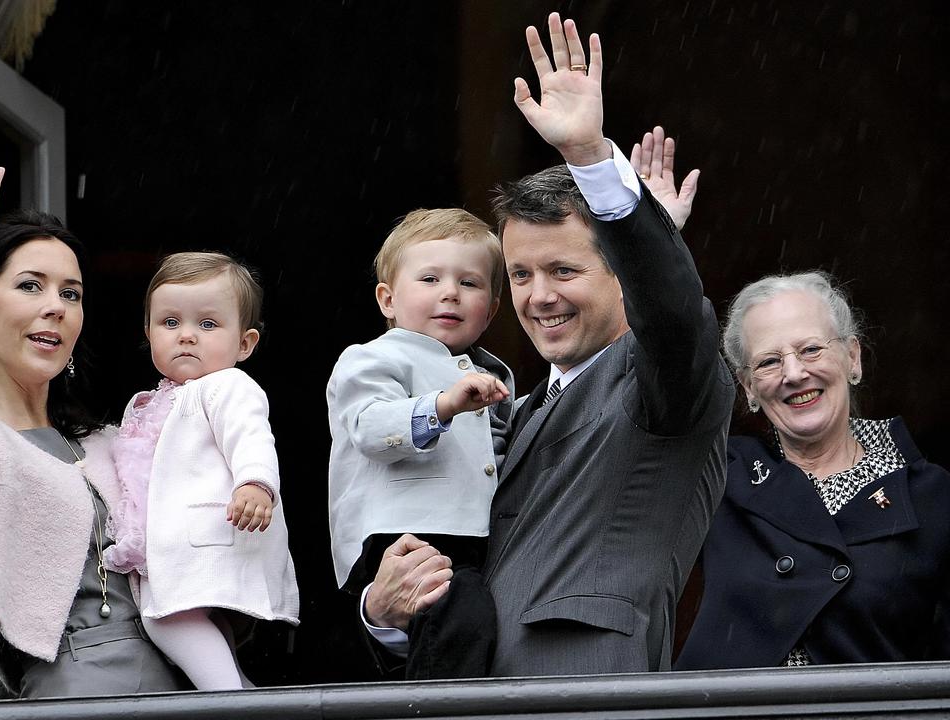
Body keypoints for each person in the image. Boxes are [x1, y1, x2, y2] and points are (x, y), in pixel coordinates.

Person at [362, 13, 734, 676]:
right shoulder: (511, 406)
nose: (539, 297)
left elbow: (674, 317)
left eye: (563, 271)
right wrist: (386, 613)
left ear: (620, 276)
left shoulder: (659, 382)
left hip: (587, 696)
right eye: (522, 275)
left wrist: (594, 163)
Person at [0, 119, 186, 696]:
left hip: (179, 676)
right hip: (71, 688)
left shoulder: (109, 441)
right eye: (30, 286)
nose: (55, 306)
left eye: (71, 293)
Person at [675, 272, 950, 668]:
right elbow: (659, 365)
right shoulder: (719, 476)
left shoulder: (930, 496)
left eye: (810, 350)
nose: (794, 374)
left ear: (852, 357)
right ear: (748, 387)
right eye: (769, 361)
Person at [326, 208, 512, 678]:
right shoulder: (371, 358)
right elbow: (370, 429)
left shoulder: (491, 372)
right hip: (403, 533)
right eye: (430, 278)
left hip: (471, 535)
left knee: (475, 622)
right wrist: (441, 406)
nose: (450, 291)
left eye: (469, 283)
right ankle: (437, 712)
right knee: (462, 619)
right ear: (387, 300)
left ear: (490, 309)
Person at [105, 251, 299, 690]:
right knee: (196, 626)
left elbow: (251, 435)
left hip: (208, 535)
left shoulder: (227, 386)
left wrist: (256, 483)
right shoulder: (146, 402)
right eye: (170, 323)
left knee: (167, 620)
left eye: (207, 324)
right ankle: (238, 689)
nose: (187, 336)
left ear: (245, 344)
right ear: (148, 333)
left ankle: (228, 700)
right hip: (176, 545)